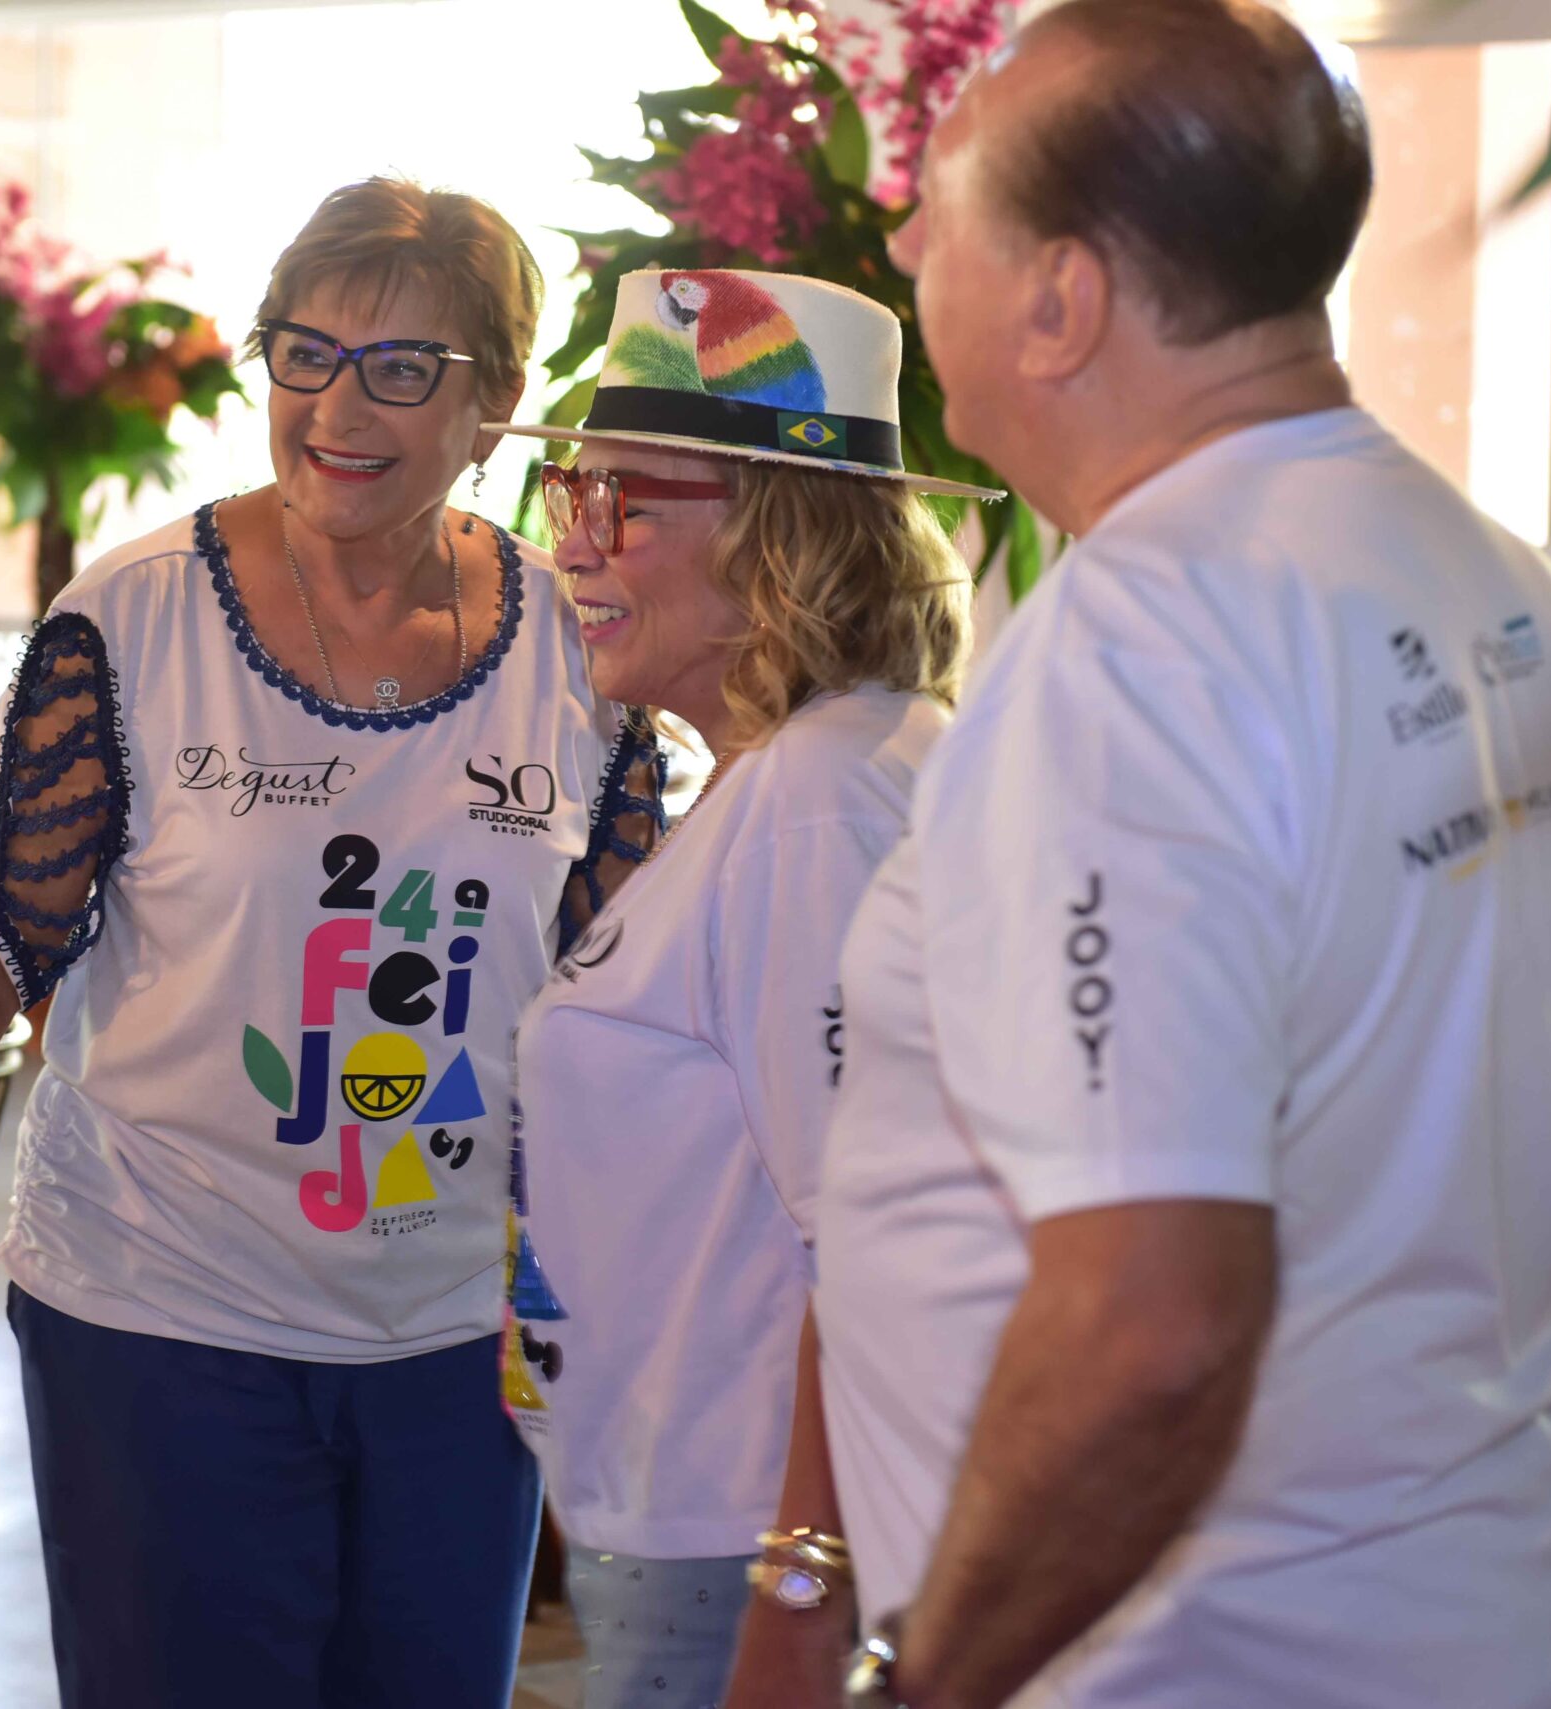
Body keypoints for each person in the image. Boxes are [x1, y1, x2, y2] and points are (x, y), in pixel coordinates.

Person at [756, 2, 1551, 1705]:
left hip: (1226, 1655)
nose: (905, 245)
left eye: (940, 206)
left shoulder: (1139, 647)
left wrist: (920, 1681)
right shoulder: (1486, 570)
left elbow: (1154, 1323)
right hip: (1517, 1597)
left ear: (1061, 299)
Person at [0, 176, 659, 1709]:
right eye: (307, 352)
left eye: (403, 367)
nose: (338, 408)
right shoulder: (133, 622)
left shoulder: (578, 648)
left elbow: (620, 997)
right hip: (157, 1324)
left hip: (456, 1347)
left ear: (494, 401)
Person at [485, 268, 981, 1709]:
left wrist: (804, 1580)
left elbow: (874, 1241)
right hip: (695, 1516)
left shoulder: (819, 803)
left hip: (738, 1540)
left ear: (782, 532)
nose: (573, 544)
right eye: (572, 492)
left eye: (624, 502)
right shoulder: (799, 774)